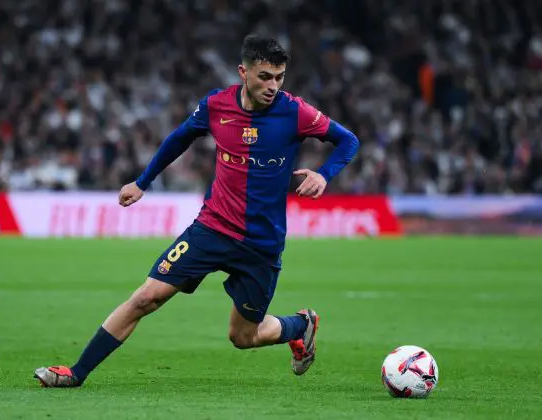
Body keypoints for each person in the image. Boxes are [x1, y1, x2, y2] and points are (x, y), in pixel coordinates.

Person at [33, 34, 359, 387]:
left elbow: (348, 140)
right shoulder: (217, 106)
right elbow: (179, 138)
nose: (273, 86)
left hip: (261, 244)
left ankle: (301, 325)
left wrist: (324, 174)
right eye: (265, 76)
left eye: (279, 77)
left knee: (242, 337)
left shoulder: (295, 111)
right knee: (146, 297)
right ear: (243, 72)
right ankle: (76, 373)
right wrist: (143, 182)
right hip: (211, 229)